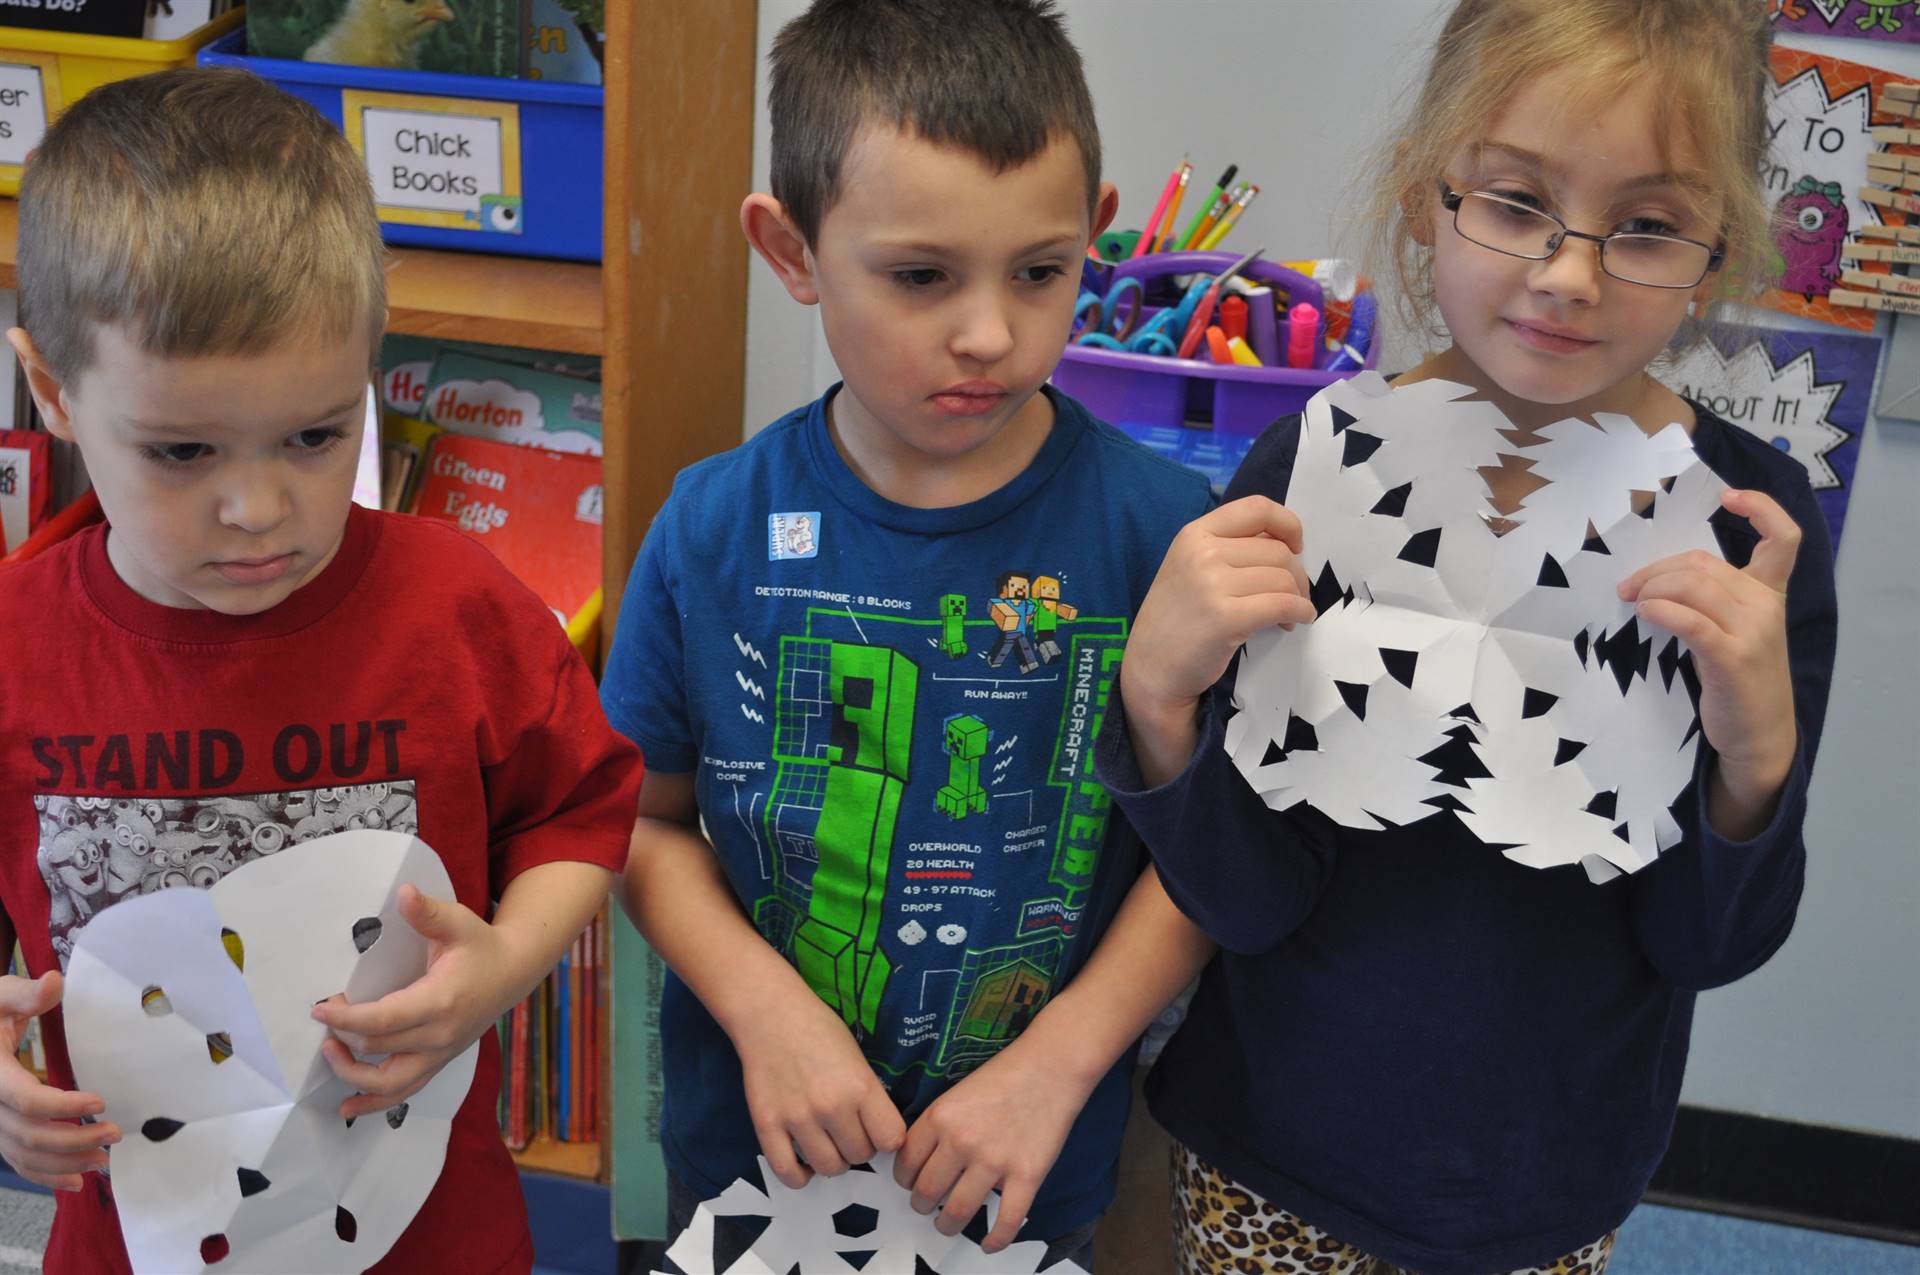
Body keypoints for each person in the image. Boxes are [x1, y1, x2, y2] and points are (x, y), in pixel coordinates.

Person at [1098, 2, 1839, 1272]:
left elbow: (1705, 943)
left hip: (1547, 1183)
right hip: (1269, 1149)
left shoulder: (1743, 536)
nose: (1568, 274)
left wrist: (1757, 760)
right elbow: (1248, 898)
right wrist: (1160, 710)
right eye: (1514, 204)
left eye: (1648, 226)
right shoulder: (1312, 467)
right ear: (1425, 196)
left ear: (1715, 253)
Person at [600, 0, 1217, 1260]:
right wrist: (766, 1012)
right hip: (756, 1156)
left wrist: (1056, 1066)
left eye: (1040, 272)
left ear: (1095, 235)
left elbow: (1207, 859)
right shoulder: (713, 526)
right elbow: (641, 824)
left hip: (1027, 1161)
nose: (989, 333)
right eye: (921, 276)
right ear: (791, 251)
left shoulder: (1164, 534)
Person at [0, 68, 642, 1275]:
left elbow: (579, 813)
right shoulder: (16, 641)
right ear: (54, 393)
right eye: (183, 450)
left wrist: (503, 965)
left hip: (429, 1232)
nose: (260, 509)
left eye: (316, 432)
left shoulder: (456, 608)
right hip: (137, 1235)